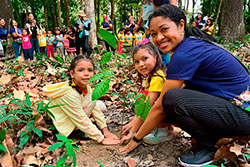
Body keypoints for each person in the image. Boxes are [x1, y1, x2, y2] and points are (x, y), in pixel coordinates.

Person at [120, 4, 250, 167]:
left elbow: (162, 104)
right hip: (233, 109)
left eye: (164, 29)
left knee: (170, 99)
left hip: (244, 113)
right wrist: (135, 123)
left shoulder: (186, 52)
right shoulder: (189, 45)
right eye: (153, 34)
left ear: (181, 25)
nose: (159, 38)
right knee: (169, 101)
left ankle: (208, 145)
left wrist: (136, 138)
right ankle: (213, 136)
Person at [43, 55, 120, 145]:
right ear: (72, 74)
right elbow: (80, 118)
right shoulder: (70, 93)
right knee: (84, 114)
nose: (86, 74)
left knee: (99, 106)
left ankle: (82, 129)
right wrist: (101, 138)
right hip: (63, 121)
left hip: (75, 113)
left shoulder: (87, 88)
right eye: (81, 70)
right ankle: (74, 131)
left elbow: (95, 109)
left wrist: (105, 130)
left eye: (90, 70)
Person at [120, 42, 173, 145]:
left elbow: (147, 105)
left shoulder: (157, 78)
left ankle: (164, 130)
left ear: (155, 57)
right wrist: (133, 123)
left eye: (145, 58)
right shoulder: (152, 76)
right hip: (167, 111)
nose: (141, 64)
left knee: (150, 103)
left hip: (169, 112)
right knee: (143, 96)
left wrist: (133, 132)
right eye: (137, 62)